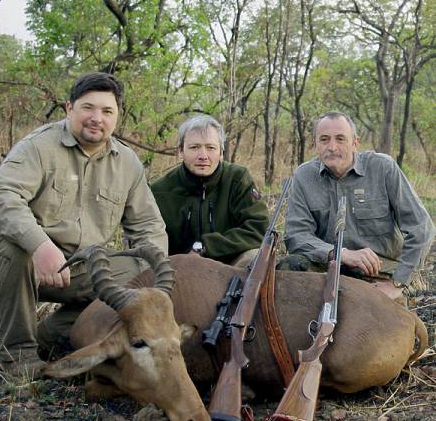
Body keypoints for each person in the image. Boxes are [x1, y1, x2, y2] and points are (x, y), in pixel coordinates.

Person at [0, 72, 167, 378]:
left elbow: (148, 225)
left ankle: (50, 334)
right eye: (88, 108)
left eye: (107, 111)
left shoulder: (128, 163)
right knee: (10, 245)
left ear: (117, 117)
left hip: (81, 268)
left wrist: (158, 278)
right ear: (69, 108)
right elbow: (1, 197)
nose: (97, 118)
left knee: (140, 274)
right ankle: (17, 356)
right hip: (25, 262)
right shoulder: (38, 146)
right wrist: (40, 245)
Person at [284, 111, 435, 301]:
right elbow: (296, 235)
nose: (332, 147)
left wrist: (398, 283)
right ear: (315, 144)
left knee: (382, 315)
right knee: (288, 267)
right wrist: (340, 253)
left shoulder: (383, 168)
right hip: (328, 267)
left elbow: (422, 228)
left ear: (355, 143)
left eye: (340, 139)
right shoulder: (303, 176)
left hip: (379, 271)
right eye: (324, 139)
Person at [151, 115, 269, 267]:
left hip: (230, 267)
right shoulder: (159, 191)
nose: (203, 156)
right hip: (176, 268)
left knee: (254, 258)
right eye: (194, 147)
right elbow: (148, 239)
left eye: (211, 148)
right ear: (180, 151)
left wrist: (206, 246)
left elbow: (259, 229)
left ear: (221, 152)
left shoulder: (238, 179)